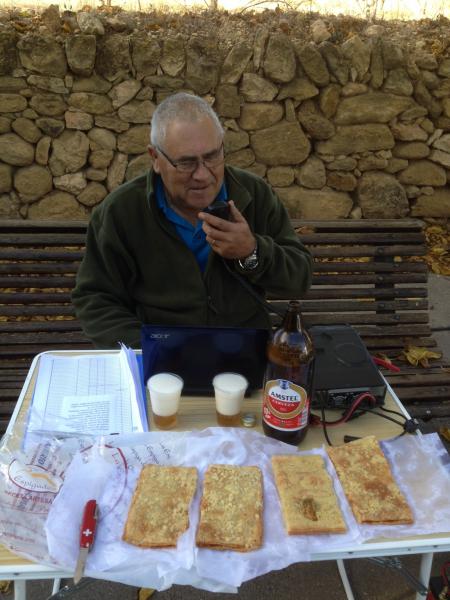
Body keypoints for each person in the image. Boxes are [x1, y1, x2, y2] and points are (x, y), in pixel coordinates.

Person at [72, 93, 313, 349]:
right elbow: (95, 299)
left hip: (244, 353)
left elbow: (299, 279)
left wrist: (251, 252)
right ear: (155, 158)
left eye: (212, 157)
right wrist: (146, 348)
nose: (202, 175)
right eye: (186, 163)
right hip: (160, 358)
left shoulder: (254, 194)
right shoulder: (120, 211)